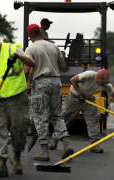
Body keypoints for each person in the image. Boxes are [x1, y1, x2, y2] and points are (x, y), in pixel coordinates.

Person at [0, 31, 36, 177]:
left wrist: (18, 57)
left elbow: (32, 63)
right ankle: (1, 164)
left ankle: (16, 157)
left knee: (19, 129)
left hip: (17, 97)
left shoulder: (12, 49)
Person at [49, 69, 114, 153]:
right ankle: (54, 140)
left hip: (88, 99)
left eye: (106, 81)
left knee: (94, 117)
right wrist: (80, 93)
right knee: (65, 118)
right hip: (74, 97)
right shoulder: (89, 75)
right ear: (97, 78)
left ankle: (95, 145)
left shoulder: (107, 85)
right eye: (103, 82)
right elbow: (72, 80)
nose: (105, 83)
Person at [25, 24, 74, 161]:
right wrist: (50, 65)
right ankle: (67, 144)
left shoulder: (31, 48)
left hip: (40, 84)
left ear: (30, 35)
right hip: (56, 82)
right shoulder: (54, 46)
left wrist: (27, 85)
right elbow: (63, 66)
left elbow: (26, 70)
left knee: (40, 117)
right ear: (40, 32)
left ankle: (44, 151)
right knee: (57, 116)